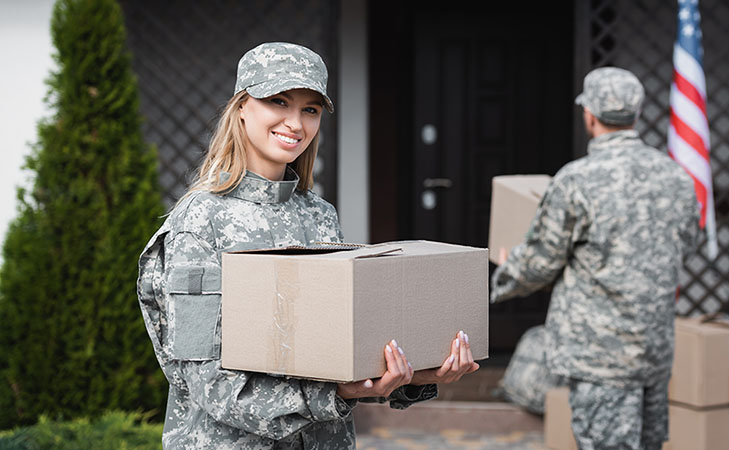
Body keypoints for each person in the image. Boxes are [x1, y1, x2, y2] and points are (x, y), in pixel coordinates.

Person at [137, 42, 479, 449]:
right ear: (242, 106)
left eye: (310, 109)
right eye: (278, 101)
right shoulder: (199, 222)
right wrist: (335, 395)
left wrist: (413, 376)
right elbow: (207, 382)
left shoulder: (318, 214)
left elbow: (338, 356)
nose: (295, 123)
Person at [491, 67, 700, 449]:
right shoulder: (677, 178)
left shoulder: (577, 180)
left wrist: (503, 275)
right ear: (635, 115)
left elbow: (540, 261)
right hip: (654, 347)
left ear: (589, 115)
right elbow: (688, 245)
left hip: (599, 356)